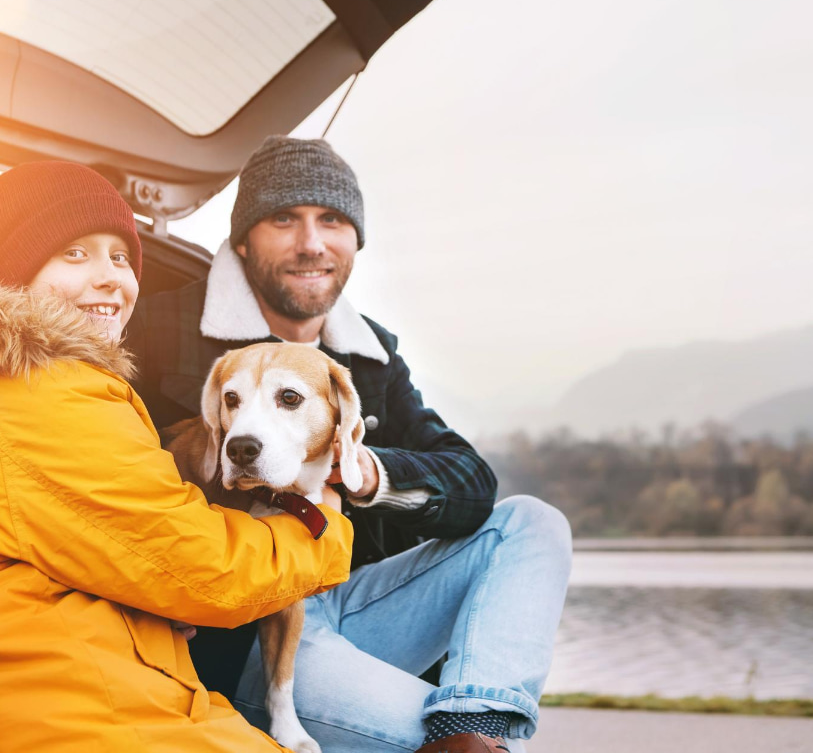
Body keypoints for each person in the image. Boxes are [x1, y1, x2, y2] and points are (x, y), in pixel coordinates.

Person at [0, 161, 354, 753]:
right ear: (11, 275)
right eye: (74, 254)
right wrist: (326, 528)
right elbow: (207, 571)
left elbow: (123, 552)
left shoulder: (1, 389)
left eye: (119, 255)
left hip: (81, 693)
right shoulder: (35, 393)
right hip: (78, 715)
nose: (111, 278)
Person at [128, 137, 573, 753]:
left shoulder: (373, 358)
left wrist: (363, 473)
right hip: (255, 631)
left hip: (354, 603)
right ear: (242, 241)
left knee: (532, 523)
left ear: (354, 243)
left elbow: (474, 484)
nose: (311, 242)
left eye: (331, 220)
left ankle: (478, 720)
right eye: (284, 218)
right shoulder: (157, 327)